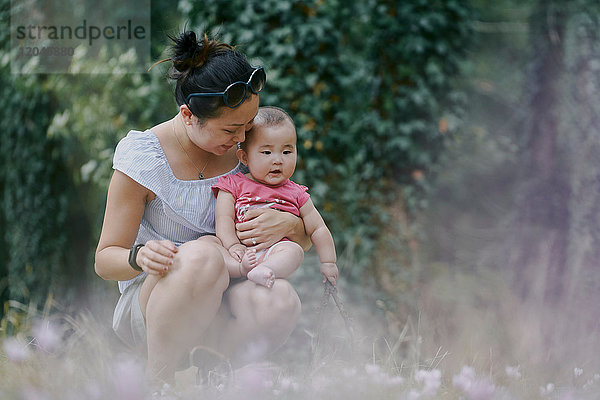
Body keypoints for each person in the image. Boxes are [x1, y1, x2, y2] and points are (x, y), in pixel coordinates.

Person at [94, 31, 310, 385]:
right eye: (231, 129)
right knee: (203, 256)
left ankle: (216, 380)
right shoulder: (144, 160)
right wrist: (139, 257)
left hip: (228, 291)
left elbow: (300, 241)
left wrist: (287, 224)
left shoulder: (244, 150)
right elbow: (104, 260)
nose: (242, 139)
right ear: (189, 115)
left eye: (248, 125)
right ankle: (158, 385)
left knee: (281, 299)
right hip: (157, 299)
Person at [213, 106, 338, 289]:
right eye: (267, 152)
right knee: (209, 244)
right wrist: (232, 246)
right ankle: (240, 269)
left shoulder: (297, 193)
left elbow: (318, 228)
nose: (278, 160)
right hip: (239, 252)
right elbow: (223, 219)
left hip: (274, 252)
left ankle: (265, 270)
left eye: (287, 152)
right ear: (244, 157)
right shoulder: (233, 184)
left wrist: (329, 262)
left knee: (294, 251)